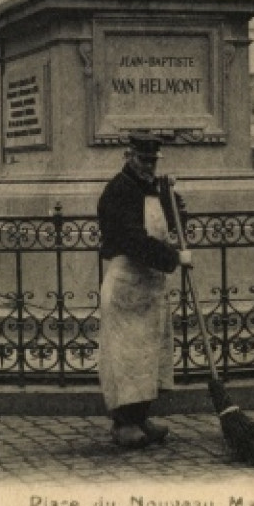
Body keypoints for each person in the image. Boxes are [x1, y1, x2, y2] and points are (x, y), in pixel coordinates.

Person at [97, 130, 192, 449]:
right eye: (142, 159)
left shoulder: (155, 188)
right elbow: (132, 239)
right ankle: (123, 424)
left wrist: (175, 205)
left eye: (152, 160)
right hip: (126, 285)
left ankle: (140, 418)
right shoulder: (118, 191)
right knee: (126, 358)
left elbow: (173, 222)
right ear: (128, 157)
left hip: (151, 287)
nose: (148, 166)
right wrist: (173, 257)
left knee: (148, 357)